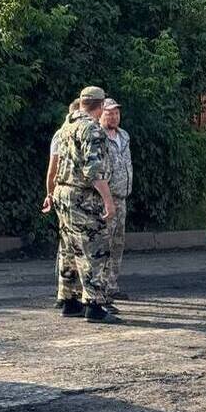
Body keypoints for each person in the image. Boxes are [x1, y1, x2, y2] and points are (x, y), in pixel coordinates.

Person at [53, 86, 117, 323]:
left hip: (63, 192)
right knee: (95, 248)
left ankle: (69, 300)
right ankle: (95, 304)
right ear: (100, 107)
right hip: (83, 196)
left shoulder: (67, 125)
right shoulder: (92, 129)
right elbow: (93, 172)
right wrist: (108, 201)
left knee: (69, 248)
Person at [44, 100, 80, 313]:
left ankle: (66, 293)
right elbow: (52, 168)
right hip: (70, 196)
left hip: (63, 194)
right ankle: (68, 293)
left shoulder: (62, 133)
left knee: (68, 245)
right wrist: (50, 194)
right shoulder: (65, 134)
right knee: (71, 247)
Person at [100, 98, 133, 305]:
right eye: (109, 113)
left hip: (122, 197)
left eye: (116, 113)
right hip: (106, 198)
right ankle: (100, 287)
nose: (114, 117)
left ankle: (112, 285)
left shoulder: (124, 135)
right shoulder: (98, 136)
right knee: (104, 242)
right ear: (101, 114)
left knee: (118, 243)